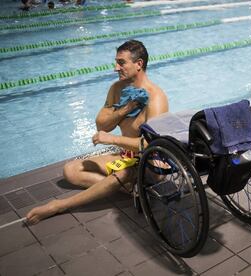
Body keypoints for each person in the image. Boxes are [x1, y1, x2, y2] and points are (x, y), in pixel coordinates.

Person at [26, 40, 169, 224]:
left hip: (151, 163)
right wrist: (124, 109)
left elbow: (150, 144)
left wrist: (112, 139)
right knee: (71, 170)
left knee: (123, 173)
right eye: (116, 62)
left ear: (139, 64)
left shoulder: (156, 98)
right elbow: (101, 125)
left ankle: (59, 205)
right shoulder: (117, 89)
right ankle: (128, 187)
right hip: (127, 157)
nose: (116, 68)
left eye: (121, 62)